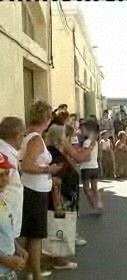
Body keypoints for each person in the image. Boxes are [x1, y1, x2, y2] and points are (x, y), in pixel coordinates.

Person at [19, 101, 62, 280]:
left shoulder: (30, 135)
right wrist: (48, 170)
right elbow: (27, 165)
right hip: (34, 191)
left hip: (33, 189)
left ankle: (30, 272)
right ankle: (35, 275)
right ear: (46, 118)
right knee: (34, 236)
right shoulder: (36, 138)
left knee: (28, 235)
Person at [45, 124, 78, 270]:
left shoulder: (56, 151)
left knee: (61, 226)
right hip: (60, 196)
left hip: (66, 195)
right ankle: (59, 259)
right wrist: (57, 203)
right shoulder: (53, 154)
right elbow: (56, 181)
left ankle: (57, 258)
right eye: (64, 135)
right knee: (59, 226)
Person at [0, 152, 28, 279]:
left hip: (7, 270)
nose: (4, 179)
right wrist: (4, 260)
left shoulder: (3, 200)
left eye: (6, 174)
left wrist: (16, 247)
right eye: (0, 175)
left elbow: (6, 232)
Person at [0, 117, 25, 240]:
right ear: (18, 136)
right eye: (23, 135)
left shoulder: (9, 152)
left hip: (9, 212)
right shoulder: (4, 154)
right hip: (5, 213)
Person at [80, 120, 102, 215]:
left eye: (83, 129)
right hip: (95, 166)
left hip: (86, 167)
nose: (81, 131)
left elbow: (86, 156)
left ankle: (94, 206)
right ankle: (99, 203)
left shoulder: (86, 143)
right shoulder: (96, 142)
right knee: (95, 187)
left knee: (86, 188)